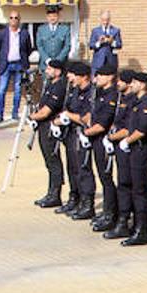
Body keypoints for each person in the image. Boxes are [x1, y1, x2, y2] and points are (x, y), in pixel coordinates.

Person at [120, 71, 147, 247]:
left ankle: (143, 231)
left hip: (142, 149)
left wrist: (127, 141)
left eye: (135, 82)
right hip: (135, 149)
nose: (132, 85)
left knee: (140, 191)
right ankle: (139, 227)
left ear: (143, 85)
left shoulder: (146, 104)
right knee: (137, 189)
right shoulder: (135, 102)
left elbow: (142, 129)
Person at [85, 62, 121, 232]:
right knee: (102, 177)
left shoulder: (111, 95)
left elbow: (103, 123)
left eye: (99, 75)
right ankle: (108, 211)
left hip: (103, 139)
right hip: (96, 138)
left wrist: (86, 133)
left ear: (109, 77)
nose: (96, 78)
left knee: (107, 178)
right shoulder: (100, 93)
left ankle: (111, 214)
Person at [59, 61, 96, 221]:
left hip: (82, 134)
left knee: (83, 169)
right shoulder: (74, 91)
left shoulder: (91, 93)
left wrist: (69, 116)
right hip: (70, 133)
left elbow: (86, 118)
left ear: (84, 77)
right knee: (72, 168)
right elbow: (67, 109)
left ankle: (87, 204)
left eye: (73, 74)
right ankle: (76, 198)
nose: (69, 77)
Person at [30, 58, 69, 209]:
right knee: (48, 161)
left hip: (50, 126)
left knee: (53, 161)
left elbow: (47, 111)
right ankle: (51, 192)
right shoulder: (49, 84)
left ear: (58, 71)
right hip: (43, 126)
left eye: (50, 69)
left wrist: (31, 117)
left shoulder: (59, 86)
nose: (46, 71)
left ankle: (55, 194)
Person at [102, 70, 137, 239]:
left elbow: (128, 128)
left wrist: (111, 137)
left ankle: (125, 220)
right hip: (117, 145)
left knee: (125, 184)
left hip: (126, 147)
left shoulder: (132, 102)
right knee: (121, 182)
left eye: (122, 81)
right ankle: (120, 218)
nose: (118, 83)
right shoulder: (121, 99)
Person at [0, 10, 34, 123]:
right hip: (6, 64)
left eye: (16, 18)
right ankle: (0, 115)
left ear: (19, 20)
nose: (13, 20)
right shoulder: (2, 33)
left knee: (17, 90)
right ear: (8, 19)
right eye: (11, 17)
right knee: (2, 90)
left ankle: (15, 114)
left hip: (19, 65)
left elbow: (28, 49)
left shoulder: (25, 33)